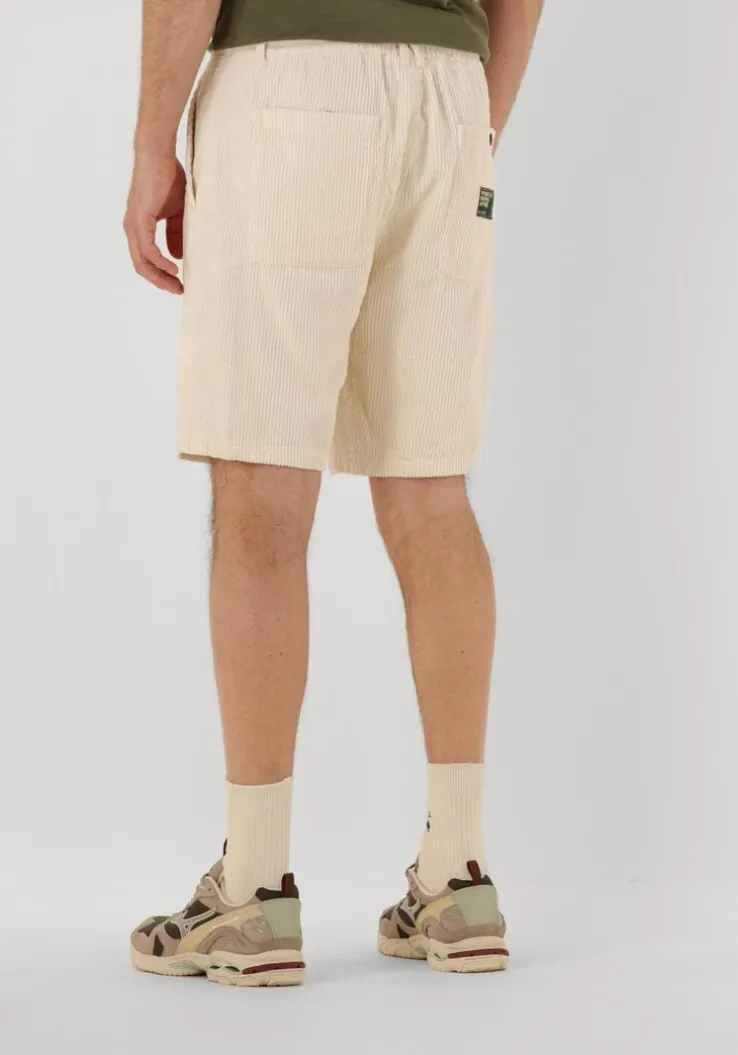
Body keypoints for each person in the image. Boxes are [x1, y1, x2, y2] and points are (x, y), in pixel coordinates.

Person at [124, 0, 543, 987]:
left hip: (291, 84)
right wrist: (475, 124)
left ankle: (255, 891)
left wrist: (151, 147)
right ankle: (460, 879)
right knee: (432, 489)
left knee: (263, 489)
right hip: (450, 96)